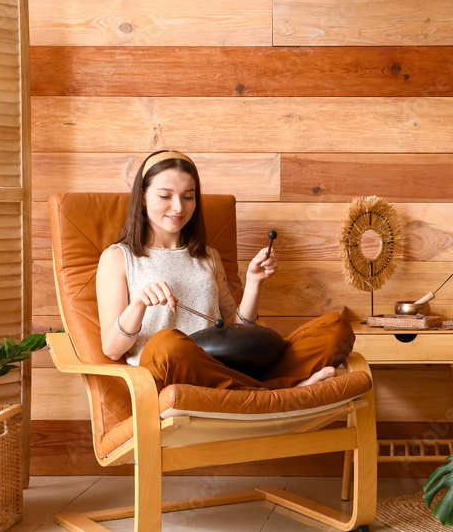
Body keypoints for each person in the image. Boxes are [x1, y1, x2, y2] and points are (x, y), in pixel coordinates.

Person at [95, 150, 353, 391]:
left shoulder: (208, 256)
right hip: (173, 373)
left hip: (224, 369)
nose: (178, 207)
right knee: (167, 343)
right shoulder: (118, 258)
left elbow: (234, 329)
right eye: (165, 196)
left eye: (188, 196)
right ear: (142, 196)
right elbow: (113, 349)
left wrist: (253, 282)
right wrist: (139, 302)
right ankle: (277, 393)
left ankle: (249, 394)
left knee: (335, 327)